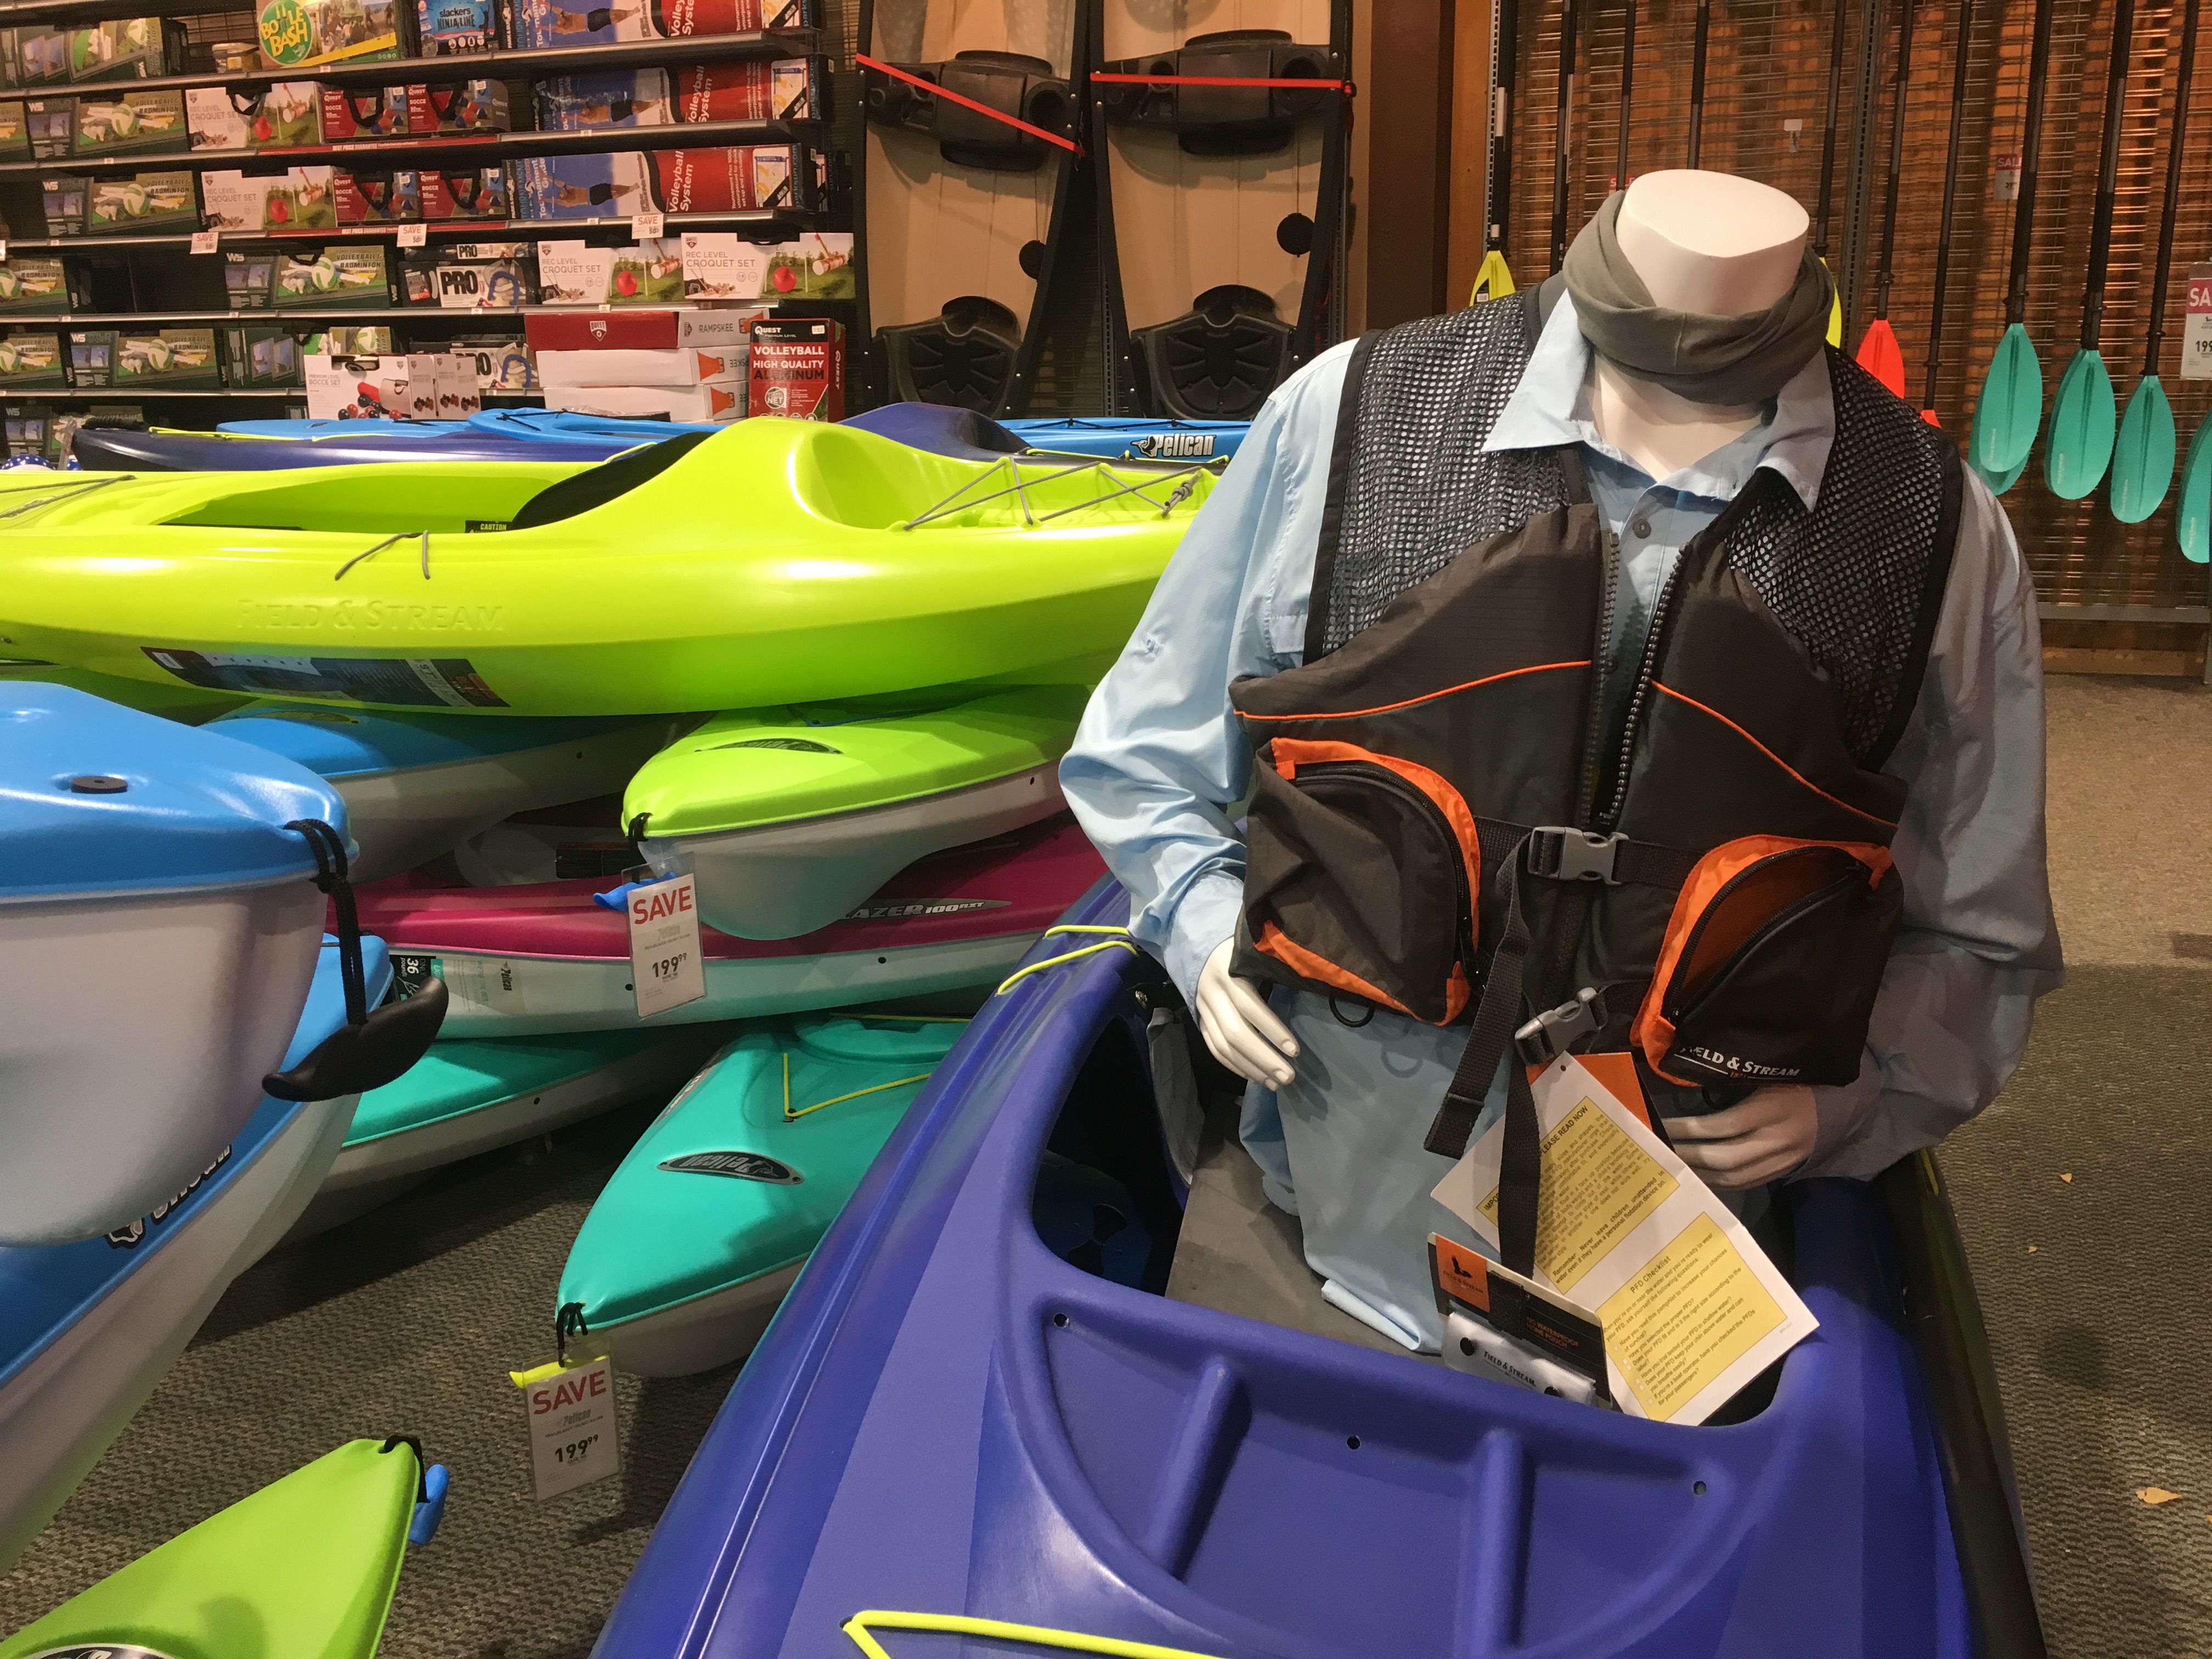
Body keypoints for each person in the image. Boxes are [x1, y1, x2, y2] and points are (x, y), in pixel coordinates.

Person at [1061, 172, 2062, 1353]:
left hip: (1677, 1247)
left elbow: (1982, 932)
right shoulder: (1348, 413)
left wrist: (1857, 1093)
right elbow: (1143, 755)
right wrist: (1201, 926)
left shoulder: (1933, 524)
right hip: (1338, 1196)